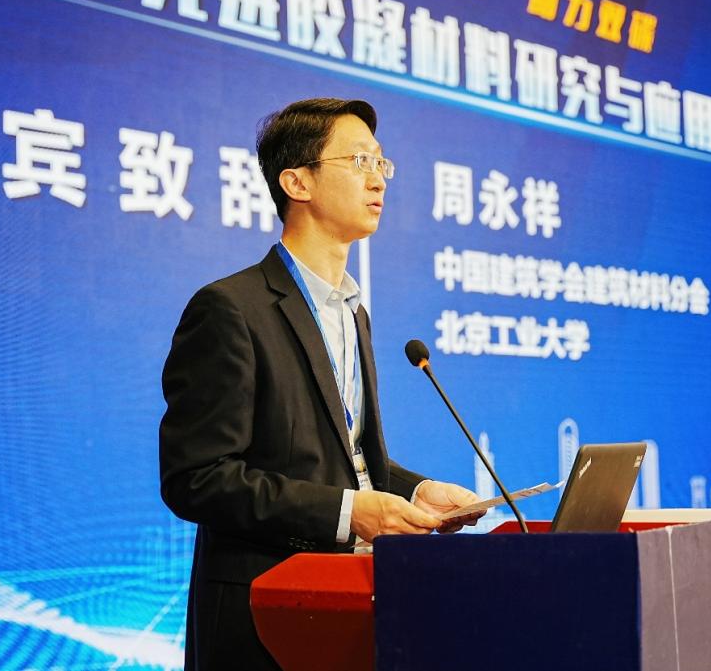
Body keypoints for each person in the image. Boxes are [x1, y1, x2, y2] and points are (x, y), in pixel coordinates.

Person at [159, 98, 483, 670]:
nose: (378, 179)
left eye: (381, 163)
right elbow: (197, 479)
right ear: (297, 182)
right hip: (261, 617)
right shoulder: (231, 309)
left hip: (349, 608)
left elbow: (342, 457)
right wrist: (349, 512)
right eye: (359, 161)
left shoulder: (353, 313)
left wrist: (415, 491)